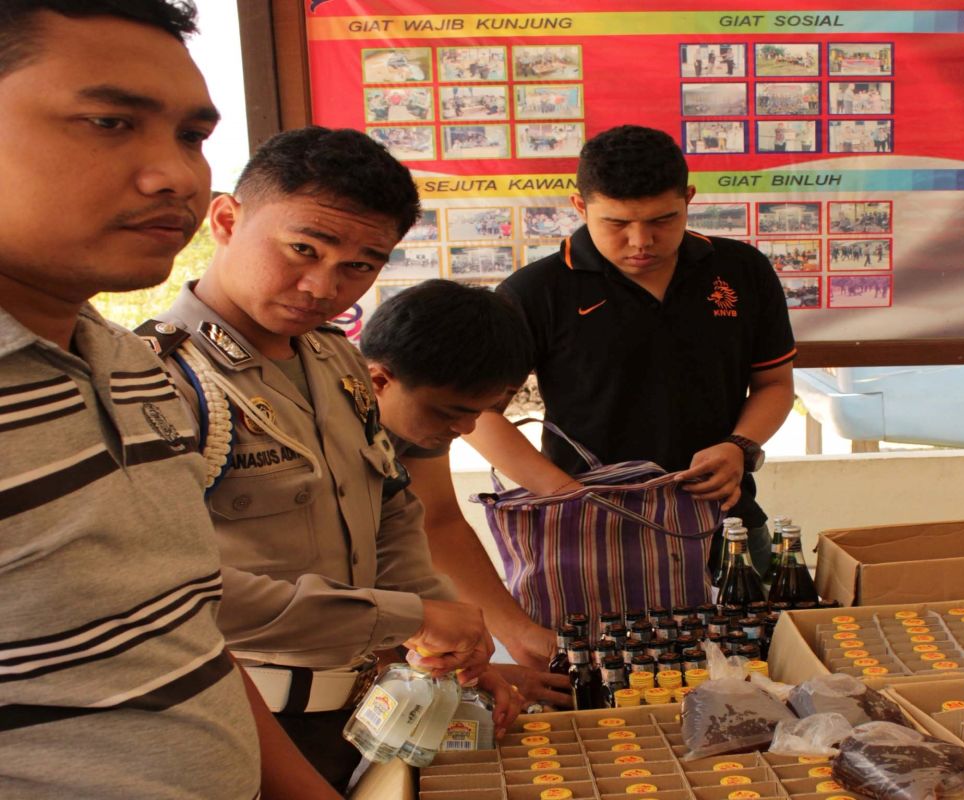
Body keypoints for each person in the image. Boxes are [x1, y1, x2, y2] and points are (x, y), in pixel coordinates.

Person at [0, 1, 341, 797]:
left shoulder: (127, 367)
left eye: (191, 137)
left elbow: (181, 637)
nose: (177, 175)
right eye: (111, 122)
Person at [144, 126, 517, 790]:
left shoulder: (338, 361)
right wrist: (412, 617)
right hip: (235, 724)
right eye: (302, 249)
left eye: (360, 265)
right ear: (227, 219)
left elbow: (393, 510)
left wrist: (445, 634)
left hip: (356, 717)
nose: (321, 286)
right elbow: (170, 591)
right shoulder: (157, 381)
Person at [468, 125, 796, 583]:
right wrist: (566, 494)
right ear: (580, 207)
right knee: (591, 656)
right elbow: (478, 415)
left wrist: (739, 446)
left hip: (724, 518)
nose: (641, 241)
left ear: (689, 198)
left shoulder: (741, 271)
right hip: (585, 533)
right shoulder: (536, 292)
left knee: (757, 649)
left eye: (663, 220)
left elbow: (774, 384)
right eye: (617, 223)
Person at [359, 280, 571, 706]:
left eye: (480, 412)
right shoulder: (319, 432)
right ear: (378, 379)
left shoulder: (418, 419)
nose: (466, 430)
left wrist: (518, 633)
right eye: (452, 413)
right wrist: (446, 668)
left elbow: (437, 523)